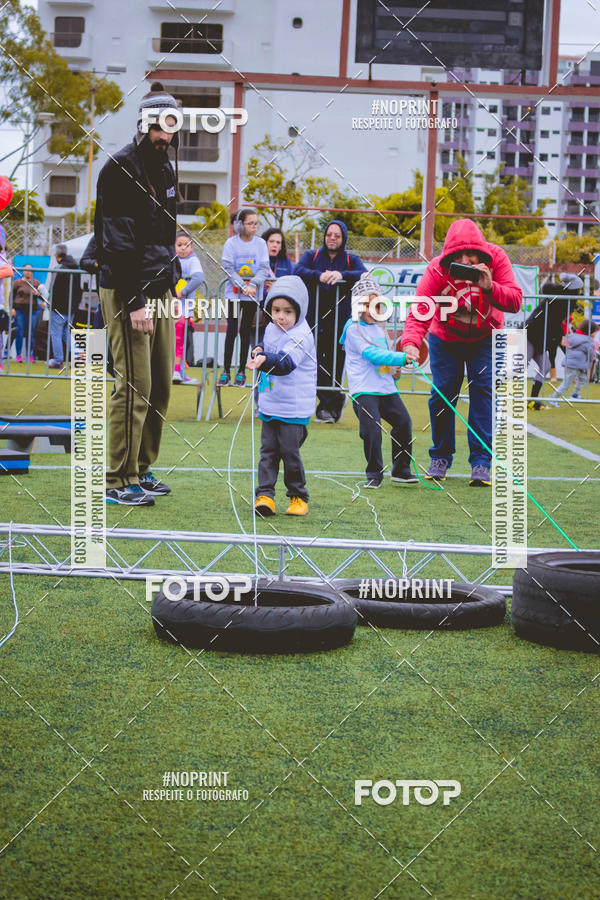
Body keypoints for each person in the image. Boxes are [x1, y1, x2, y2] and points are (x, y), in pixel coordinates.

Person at [94, 88, 181, 506]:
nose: (163, 135)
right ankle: (116, 478)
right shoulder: (119, 168)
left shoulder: (165, 168)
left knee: (162, 385)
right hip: (127, 287)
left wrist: (173, 285)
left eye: (170, 126)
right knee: (135, 386)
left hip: (160, 287)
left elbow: (167, 236)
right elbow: (117, 244)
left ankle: (141, 470)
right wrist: (135, 303)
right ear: (143, 124)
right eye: (158, 125)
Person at [401, 218, 522, 486]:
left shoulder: (497, 259)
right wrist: (411, 340)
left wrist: (490, 287)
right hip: (445, 338)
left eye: (472, 254)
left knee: (483, 394)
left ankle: (481, 462)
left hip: (486, 338)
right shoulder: (436, 269)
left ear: (482, 250)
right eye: (460, 255)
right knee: (442, 394)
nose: (466, 260)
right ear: (450, 255)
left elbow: (515, 301)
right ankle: (440, 457)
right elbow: (421, 308)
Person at [247, 275, 317, 517]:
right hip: (270, 403)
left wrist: (265, 360)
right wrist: (259, 350)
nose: (281, 316)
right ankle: (264, 495)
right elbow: (268, 347)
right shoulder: (271, 327)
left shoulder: (302, 336)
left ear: (299, 311)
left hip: (294, 408)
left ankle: (298, 495)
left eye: (288, 311)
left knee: (289, 453)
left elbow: (285, 363)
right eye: (276, 310)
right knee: (267, 451)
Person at [340, 275, 417, 488]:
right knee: (371, 430)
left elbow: (384, 359)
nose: (372, 309)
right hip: (364, 390)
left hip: (385, 388)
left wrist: (396, 371)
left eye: (376, 304)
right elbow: (373, 355)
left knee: (403, 423)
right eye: (366, 304)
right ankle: (374, 473)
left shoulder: (380, 328)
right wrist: (400, 357)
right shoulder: (353, 329)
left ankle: (401, 470)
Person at [294, 220, 366, 423]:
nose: (332, 238)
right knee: (312, 360)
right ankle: (334, 400)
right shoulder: (312, 256)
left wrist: (341, 275)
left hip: (340, 320)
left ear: (343, 238)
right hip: (314, 318)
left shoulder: (351, 259)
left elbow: (364, 274)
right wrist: (320, 276)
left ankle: (329, 408)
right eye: (329, 234)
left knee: (335, 362)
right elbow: (298, 270)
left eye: (337, 235)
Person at [219, 208, 270, 387]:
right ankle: (225, 370)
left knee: (245, 330)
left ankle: (241, 371)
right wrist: (243, 286)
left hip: (252, 296)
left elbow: (264, 268)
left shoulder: (261, 244)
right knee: (232, 329)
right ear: (240, 225)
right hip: (233, 294)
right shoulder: (231, 243)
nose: (255, 226)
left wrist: (253, 285)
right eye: (251, 223)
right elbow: (228, 267)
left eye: (256, 223)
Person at [173, 230, 204, 384]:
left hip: (184, 309)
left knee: (180, 339)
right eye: (179, 245)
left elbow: (198, 277)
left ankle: (178, 371)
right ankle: (171, 370)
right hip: (167, 307)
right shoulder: (170, 259)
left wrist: (182, 292)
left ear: (191, 246)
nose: (183, 248)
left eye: (186, 245)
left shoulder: (193, 260)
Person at [48, 244, 82, 368]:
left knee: (56, 334)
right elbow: (79, 290)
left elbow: (54, 289)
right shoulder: (76, 268)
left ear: (57, 255)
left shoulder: (59, 268)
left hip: (58, 308)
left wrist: (50, 304)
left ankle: (58, 360)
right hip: (71, 308)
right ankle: (78, 358)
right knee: (66, 334)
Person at [548, 319, 597, 405]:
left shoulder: (571, 336)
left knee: (582, 379)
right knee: (567, 383)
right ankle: (553, 398)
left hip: (570, 363)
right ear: (591, 331)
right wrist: (589, 364)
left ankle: (575, 394)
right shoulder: (589, 341)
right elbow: (590, 354)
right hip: (579, 364)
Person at [12, 264, 45, 362]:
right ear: (22, 271)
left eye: (30, 270)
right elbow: (11, 296)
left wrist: (38, 294)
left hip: (33, 311)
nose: (28, 272)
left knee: (31, 333)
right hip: (19, 311)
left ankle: (30, 355)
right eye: (26, 270)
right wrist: (12, 308)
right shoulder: (17, 283)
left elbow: (44, 297)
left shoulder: (36, 283)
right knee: (20, 332)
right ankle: (19, 355)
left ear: (32, 272)